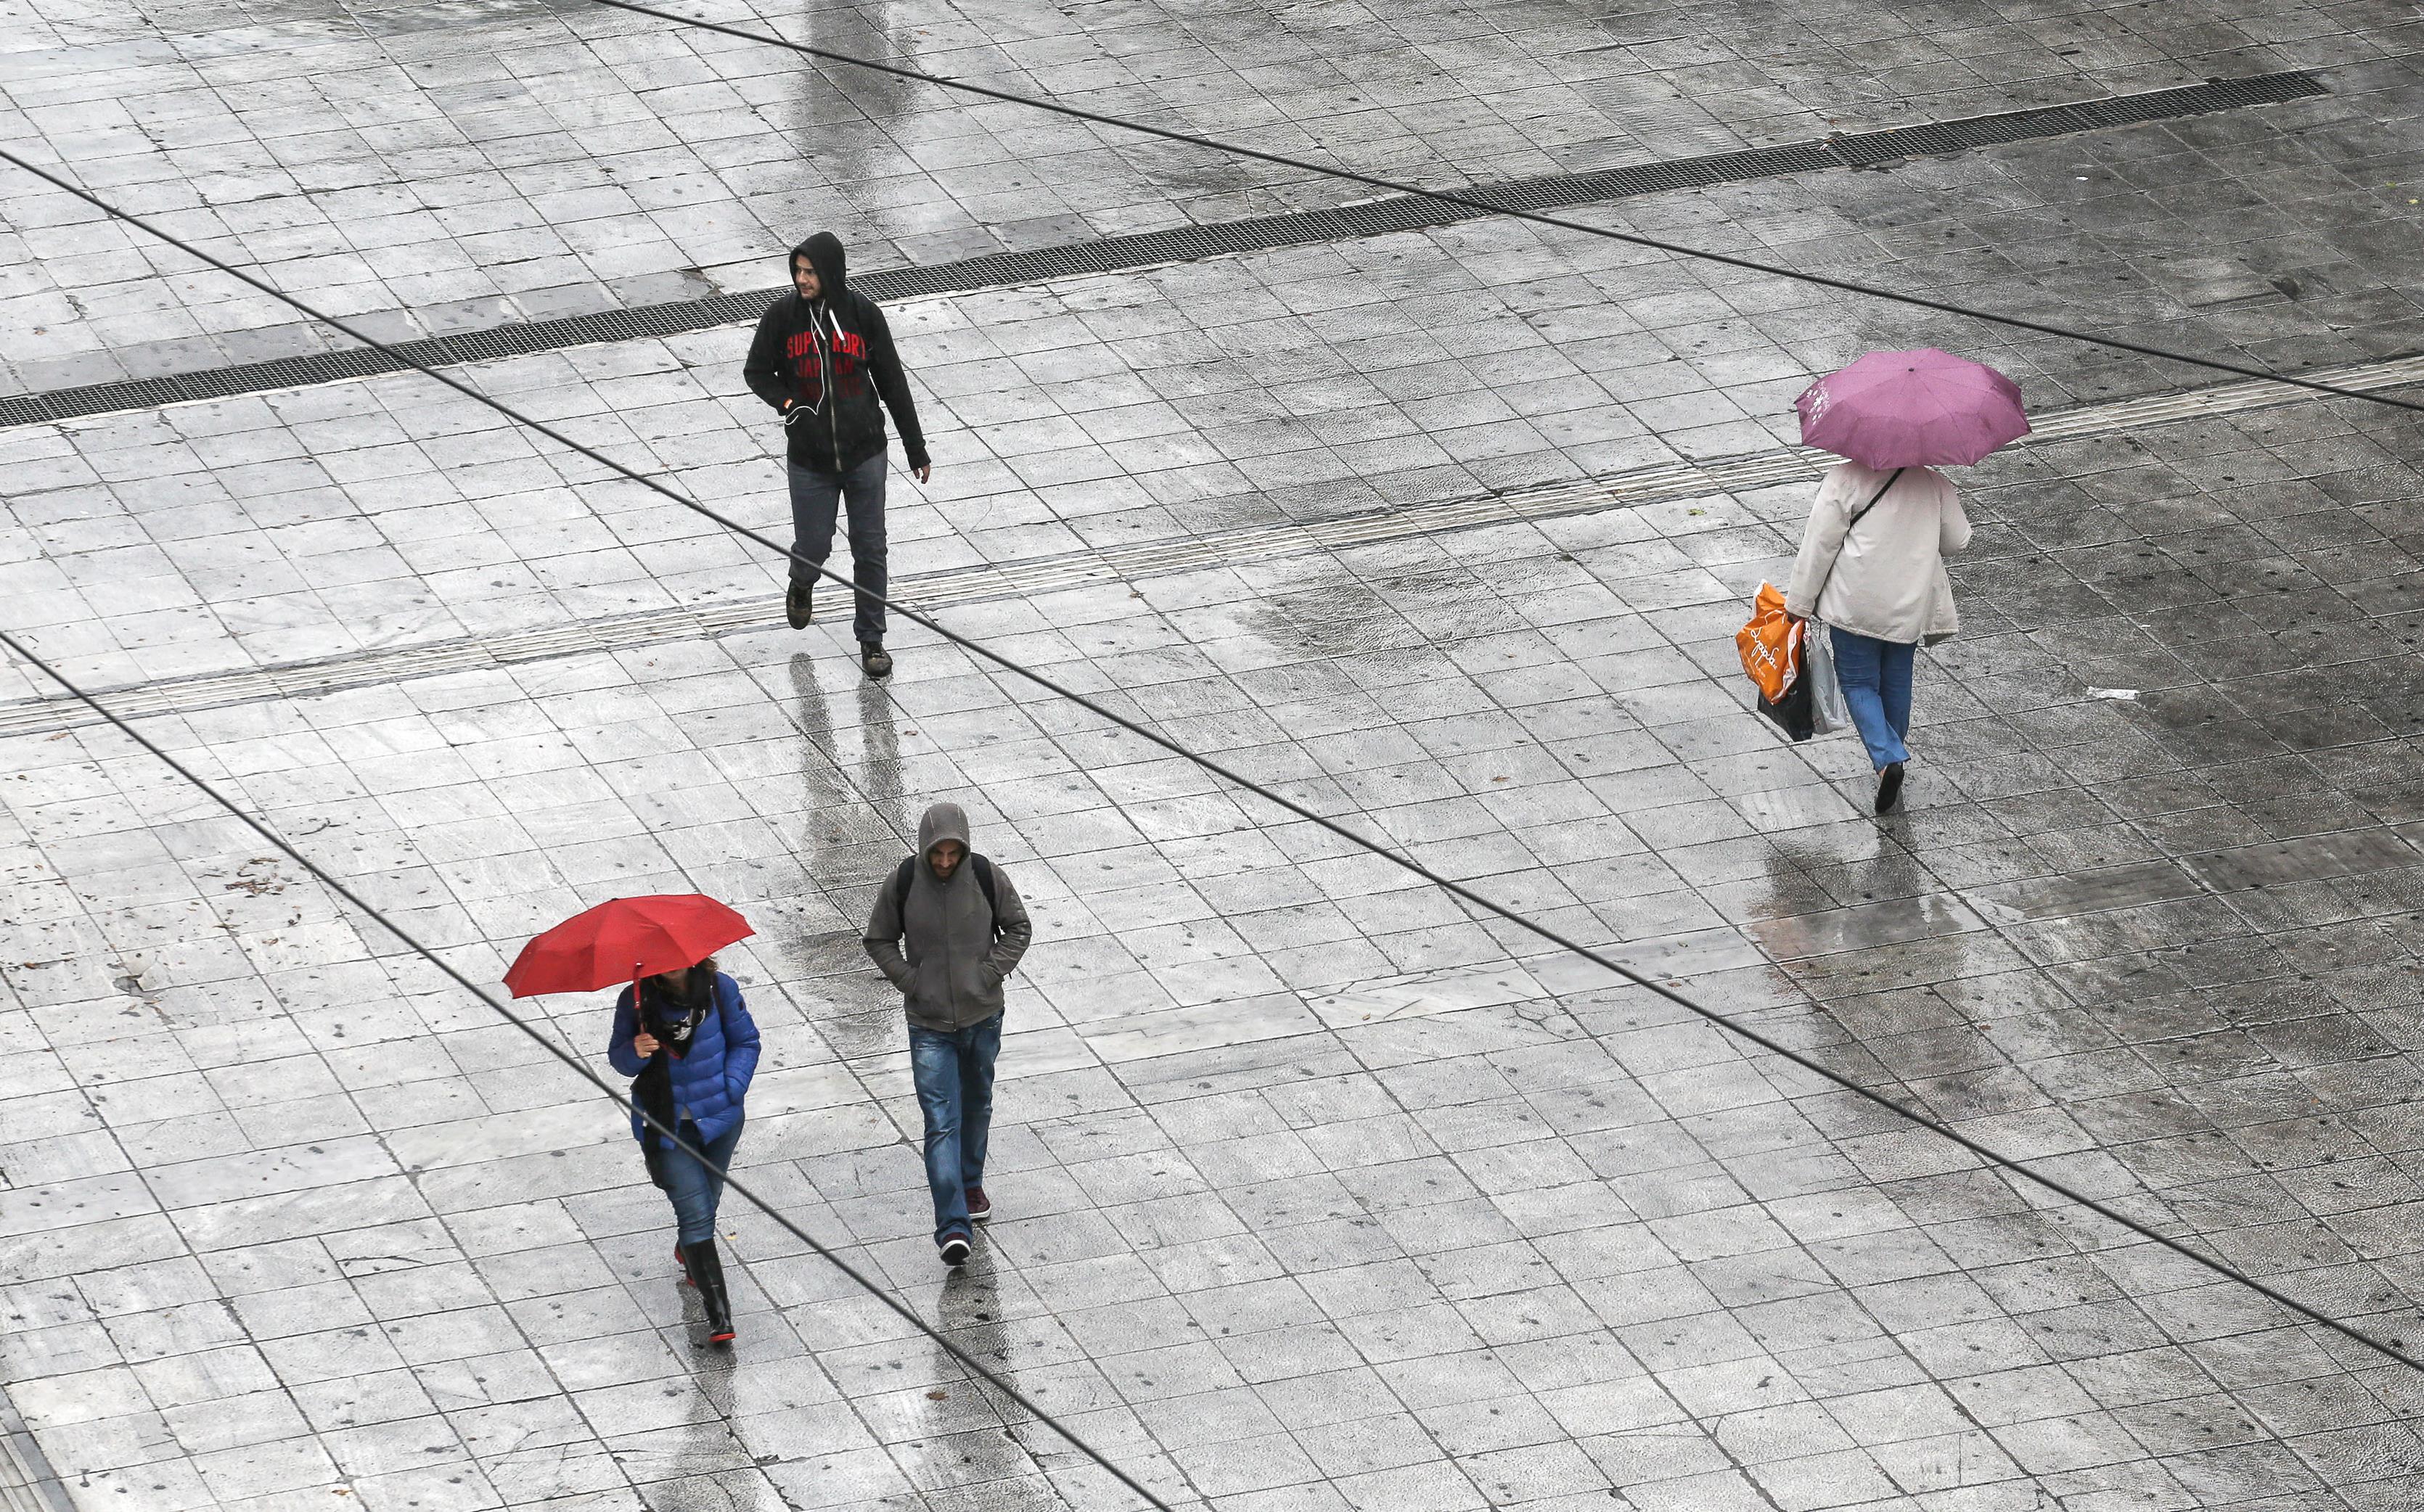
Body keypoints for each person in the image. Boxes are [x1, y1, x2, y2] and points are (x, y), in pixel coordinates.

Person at [742, 231, 931, 681]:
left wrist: (915, 446)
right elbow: (756, 372)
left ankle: (871, 640)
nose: (802, 279)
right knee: (814, 545)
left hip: (866, 452)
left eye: (810, 272)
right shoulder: (782, 318)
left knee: (870, 548)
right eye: (798, 271)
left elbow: (893, 383)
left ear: (832, 273)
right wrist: (789, 405)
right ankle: (802, 580)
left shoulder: (864, 317)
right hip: (810, 461)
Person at [863, 802, 1033, 1267]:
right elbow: (878, 939)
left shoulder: (984, 875)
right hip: (928, 1024)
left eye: (952, 853)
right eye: (937, 853)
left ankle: (970, 1182)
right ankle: (953, 1226)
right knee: (940, 1122)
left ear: (964, 849)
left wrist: (988, 974)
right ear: (924, 848)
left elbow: (1018, 927)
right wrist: (912, 981)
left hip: (982, 1017)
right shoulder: (903, 882)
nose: (944, 862)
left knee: (976, 1103)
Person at [1785, 459, 1971, 815]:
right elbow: (1956, 542)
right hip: (1908, 605)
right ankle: (1892, 755)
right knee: (1897, 681)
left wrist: (1799, 604)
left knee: (1858, 684)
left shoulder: (1845, 480)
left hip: (1855, 606)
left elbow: (1818, 547)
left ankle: (1888, 759)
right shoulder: (1932, 483)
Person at [607, 957, 761, 1344]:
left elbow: (746, 1042)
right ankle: (720, 1317)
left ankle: (691, 1251)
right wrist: (634, 1050)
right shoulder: (636, 1001)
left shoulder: (719, 989)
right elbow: (619, 1061)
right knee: (695, 1213)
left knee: (709, 1199)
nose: (671, 965)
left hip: (720, 1119)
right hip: (666, 1124)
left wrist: (732, 1088)